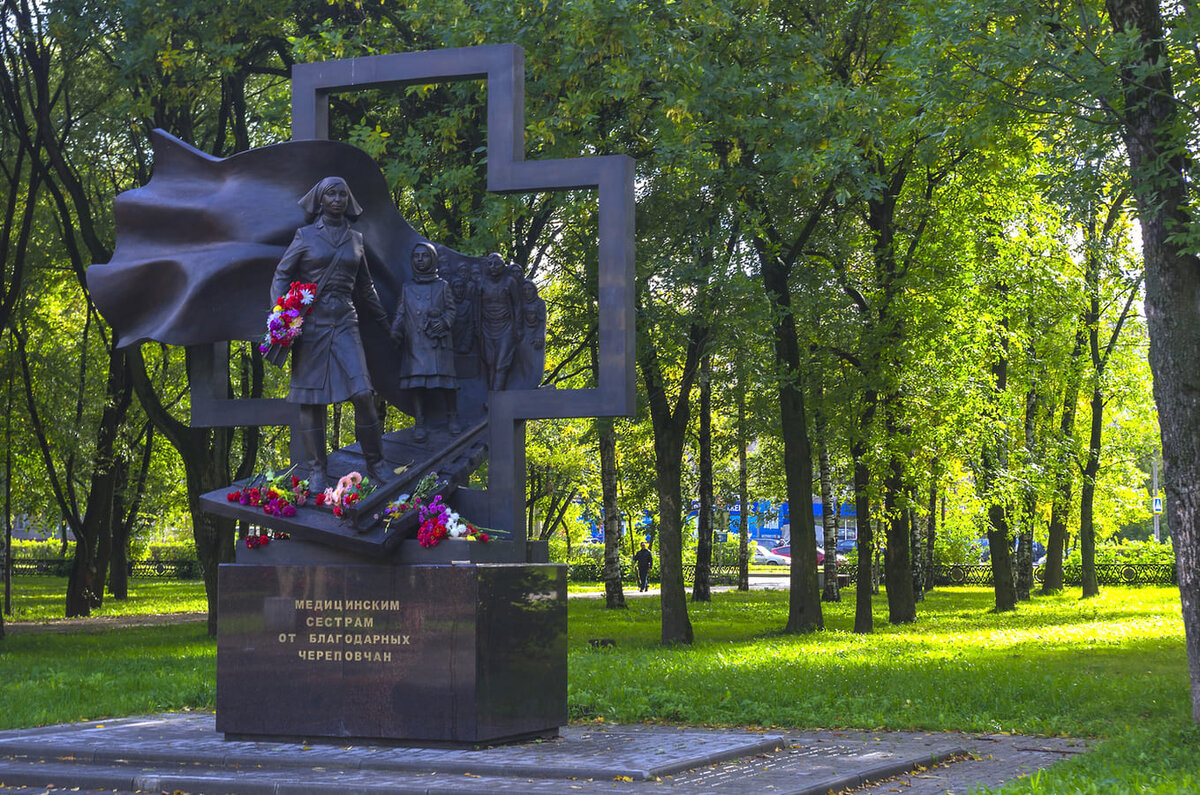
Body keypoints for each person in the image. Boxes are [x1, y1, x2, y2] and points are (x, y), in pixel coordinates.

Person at [270, 176, 391, 491]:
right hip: (311, 324)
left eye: (342, 194)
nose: (337, 199)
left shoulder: (356, 239)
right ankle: (316, 470)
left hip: (345, 322)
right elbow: (282, 274)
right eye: (331, 194)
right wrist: (281, 317)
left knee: (363, 394)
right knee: (311, 400)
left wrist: (384, 322)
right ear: (320, 201)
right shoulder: (305, 235)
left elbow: (366, 287)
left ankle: (376, 463)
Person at [391, 242, 460, 442]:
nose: (420, 260)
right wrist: (396, 329)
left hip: (438, 342)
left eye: (424, 256)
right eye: (416, 256)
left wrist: (444, 322)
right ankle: (420, 421)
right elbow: (401, 312)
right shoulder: (407, 288)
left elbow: (451, 310)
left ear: (433, 259)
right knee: (417, 384)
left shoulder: (442, 286)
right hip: (415, 342)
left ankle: (453, 416)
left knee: (446, 382)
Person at [476, 252, 522, 391]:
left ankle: (496, 398)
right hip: (487, 327)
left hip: (506, 326)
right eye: (490, 264)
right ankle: (492, 397)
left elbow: (517, 305)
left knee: (502, 364)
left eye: (496, 263)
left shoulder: (510, 282)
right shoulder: (482, 283)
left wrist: (518, 327)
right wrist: (477, 327)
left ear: (503, 265)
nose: (493, 266)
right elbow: (477, 307)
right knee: (490, 364)